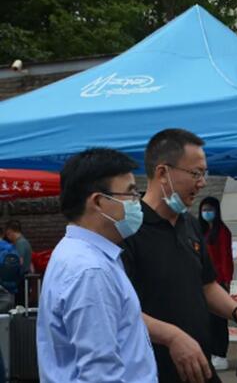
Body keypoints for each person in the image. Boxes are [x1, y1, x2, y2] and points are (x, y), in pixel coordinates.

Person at [122, 128, 237, 383]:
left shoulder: (190, 224)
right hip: (152, 371)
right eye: (196, 173)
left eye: (204, 174)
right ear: (162, 173)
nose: (202, 183)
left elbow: (206, 285)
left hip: (199, 367)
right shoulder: (128, 230)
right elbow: (118, 310)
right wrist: (172, 337)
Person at [36, 148, 157, 382]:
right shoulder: (90, 271)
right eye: (131, 194)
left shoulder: (80, 254)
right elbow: (100, 374)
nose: (138, 202)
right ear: (99, 202)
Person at [198, 196, 233, 371]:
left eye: (210, 209)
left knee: (219, 319)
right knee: (206, 320)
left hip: (218, 281)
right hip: (201, 281)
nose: (206, 213)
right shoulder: (199, 230)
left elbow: (226, 257)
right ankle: (210, 352)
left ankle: (220, 353)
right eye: (204, 209)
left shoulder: (222, 231)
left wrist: (226, 280)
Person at [5, 220, 32, 306]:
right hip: (24, 278)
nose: (8, 237)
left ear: (10, 231)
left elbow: (19, 261)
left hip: (21, 279)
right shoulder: (24, 242)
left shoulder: (20, 243)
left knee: (19, 305)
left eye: (8, 234)